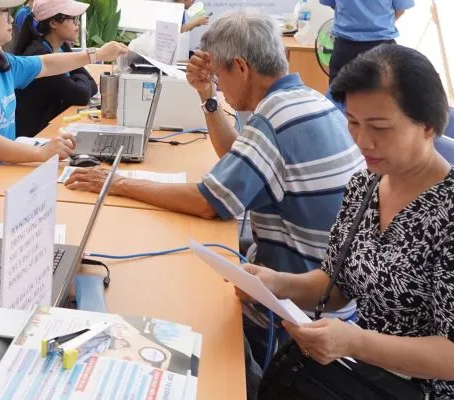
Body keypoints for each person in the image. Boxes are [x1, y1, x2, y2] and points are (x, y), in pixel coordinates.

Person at [239, 44, 454, 400]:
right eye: (353, 122)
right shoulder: (365, 185)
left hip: (440, 397)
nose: (362, 141)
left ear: (428, 125)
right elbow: (336, 284)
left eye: (379, 127)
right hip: (370, 382)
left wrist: (355, 342)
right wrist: (276, 284)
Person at [65, 9, 364, 277]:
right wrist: (207, 95)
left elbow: (208, 203)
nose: (219, 85)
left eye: (218, 76)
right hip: (324, 282)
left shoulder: (274, 117)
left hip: (295, 302)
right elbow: (235, 156)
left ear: (241, 67)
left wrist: (116, 182)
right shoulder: (307, 99)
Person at [0, 0, 127, 176]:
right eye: (3, 11)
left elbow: (46, 64)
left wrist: (97, 54)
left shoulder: (4, 63)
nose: (11, 19)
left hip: (4, 169)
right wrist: (40, 152)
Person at [15, 0, 98, 138]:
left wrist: (77, 78)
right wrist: (78, 77)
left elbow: (92, 85)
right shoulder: (39, 55)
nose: (77, 24)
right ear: (53, 23)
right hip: (37, 136)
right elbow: (81, 95)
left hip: (56, 125)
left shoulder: (62, 47)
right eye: (73, 19)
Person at [320, 0, 414, 85]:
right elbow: (400, 9)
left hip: (345, 47)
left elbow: (332, 4)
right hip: (382, 48)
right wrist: (380, 23)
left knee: (340, 94)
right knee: (383, 94)